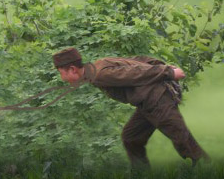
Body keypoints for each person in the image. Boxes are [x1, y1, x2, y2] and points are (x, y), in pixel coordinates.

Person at [53, 47, 210, 168]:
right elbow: (137, 60)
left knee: (182, 139)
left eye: (62, 73)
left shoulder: (99, 74)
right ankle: (142, 176)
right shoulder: (98, 65)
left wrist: (168, 72)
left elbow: (135, 72)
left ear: (73, 69)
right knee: (131, 137)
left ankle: (207, 168)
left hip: (157, 99)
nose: (62, 78)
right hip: (146, 103)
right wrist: (160, 65)